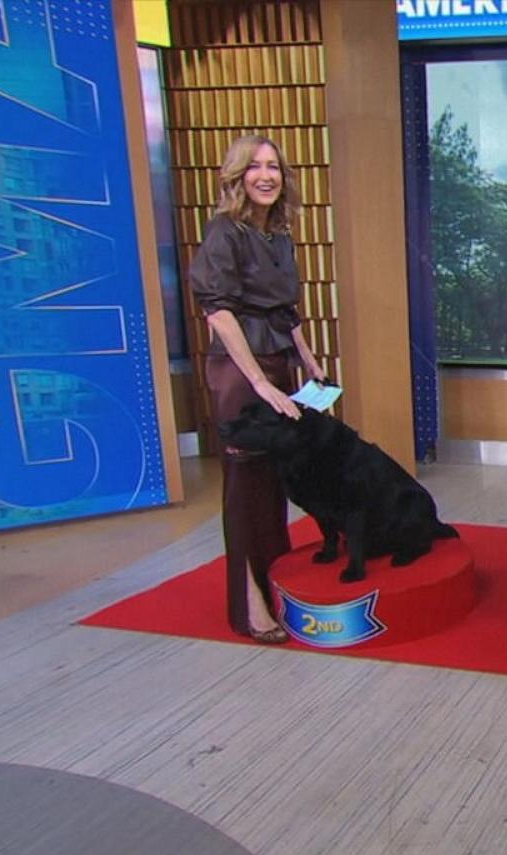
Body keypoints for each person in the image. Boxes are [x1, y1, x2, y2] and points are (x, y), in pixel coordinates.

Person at [189, 135, 328, 643]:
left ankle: (275, 586)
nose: (266, 175)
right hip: (238, 372)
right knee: (245, 489)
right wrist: (258, 384)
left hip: (278, 366)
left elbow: (284, 312)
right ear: (237, 176)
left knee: (273, 483)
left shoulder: (279, 236)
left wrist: (311, 365)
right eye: (256, 167)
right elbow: (218, 311)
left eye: (274, 166)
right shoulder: (223, 232)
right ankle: (250, 607)